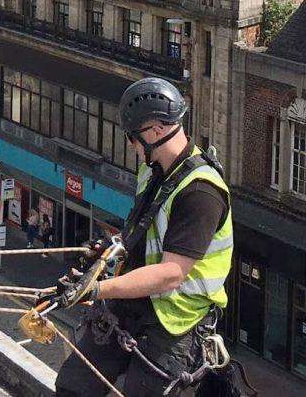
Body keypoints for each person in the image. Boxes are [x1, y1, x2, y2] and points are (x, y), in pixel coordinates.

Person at [47, 78, 233, 396]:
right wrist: (112, 246)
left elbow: (171, 273)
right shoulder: (153, 171)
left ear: (155, 131)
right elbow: (148, 233)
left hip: (177, 322)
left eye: (133, 137)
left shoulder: (201, 191)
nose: (132, 146)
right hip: (134, 302)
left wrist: (96, 289)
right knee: (73, 386)